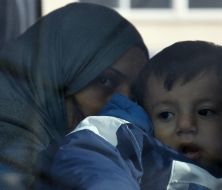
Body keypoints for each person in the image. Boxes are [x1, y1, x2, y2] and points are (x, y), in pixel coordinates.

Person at [49, 41, 222, 189]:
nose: (185, 125)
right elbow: (93, 160)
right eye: (165, 115)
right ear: (146, 115)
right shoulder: (135, 148)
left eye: (204, 112)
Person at [0, 2, 148, 189]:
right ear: (57, 75)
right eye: (105, 81)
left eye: (136, 92)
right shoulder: (10, 141)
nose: (124, 103)